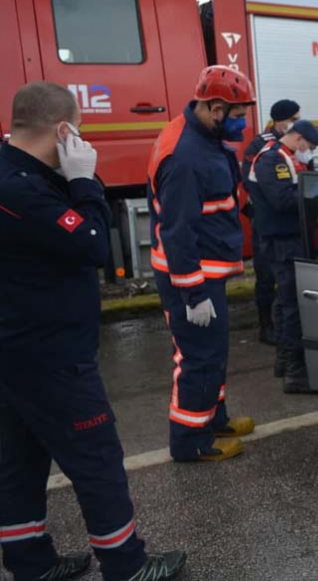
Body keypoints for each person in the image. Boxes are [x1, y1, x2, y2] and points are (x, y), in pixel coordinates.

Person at [0, 82, 186, 580]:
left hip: (18, 348)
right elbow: (89, 243)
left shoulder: (14, 171)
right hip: (49, 354)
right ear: (62, 130)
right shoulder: (21, 190)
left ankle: (30, 562)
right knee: (96, 456)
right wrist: (85, 182)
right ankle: (127, 566)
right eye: (76, 132)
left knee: (19, 460)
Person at [148, 66, 256, 463]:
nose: (243, 123)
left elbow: (224, 191)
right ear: (214, 108)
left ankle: (214, 418)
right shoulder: (186, 157)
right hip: (191, 276)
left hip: (208, 269)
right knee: (198, 357)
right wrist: (192, 293)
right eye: (239, 114)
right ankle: (191, 441)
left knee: (214, 351)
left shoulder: (205, 136)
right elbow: (177, 232)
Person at [250, 120, 318, 402]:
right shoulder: (273, 160)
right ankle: (296, 372)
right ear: (298, 139)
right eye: (310, 146)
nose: (310, 152)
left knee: (286, 302)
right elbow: (284, 200)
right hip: (282, 241)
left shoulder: (288, 159)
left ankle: (284, 362)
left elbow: (302, 191)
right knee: (293, 303)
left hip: (289, 238)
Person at [242, 99, 300, 348]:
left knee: (288, 279)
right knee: (266, 275)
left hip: (289, 224)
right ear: (280, 120)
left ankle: (287, 327)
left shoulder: (295, 143)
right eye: (293, 119)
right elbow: (248, 180)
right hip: (266, 222)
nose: (296, 123)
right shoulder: (260, 145)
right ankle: (266, 327)